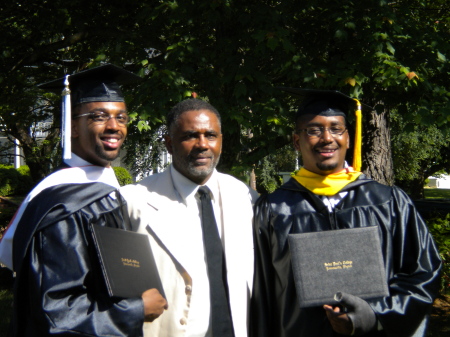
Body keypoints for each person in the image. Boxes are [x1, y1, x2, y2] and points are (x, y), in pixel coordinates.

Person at [250, 88, 442, 337]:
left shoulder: (389, 202)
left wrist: (374, 315)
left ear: (348, 138)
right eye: (313, 130)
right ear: (297, 141)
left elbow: (422, 273)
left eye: (336, 128)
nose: (326, 138)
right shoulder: (273, 210)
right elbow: (261, 295)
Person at [0, 64, 167, 336]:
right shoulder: (65, 205)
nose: (114, 126)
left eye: (121, 117)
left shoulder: (104, 191)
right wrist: (135, 310)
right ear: (73, 126)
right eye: (99, 116)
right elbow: (58, 315)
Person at [121, 98, 257, 337]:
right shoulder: (133, 203)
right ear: (169, 144)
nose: (202, 144)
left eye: (211, 135)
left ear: (221, 142)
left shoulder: (246, 198)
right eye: (190, 136)